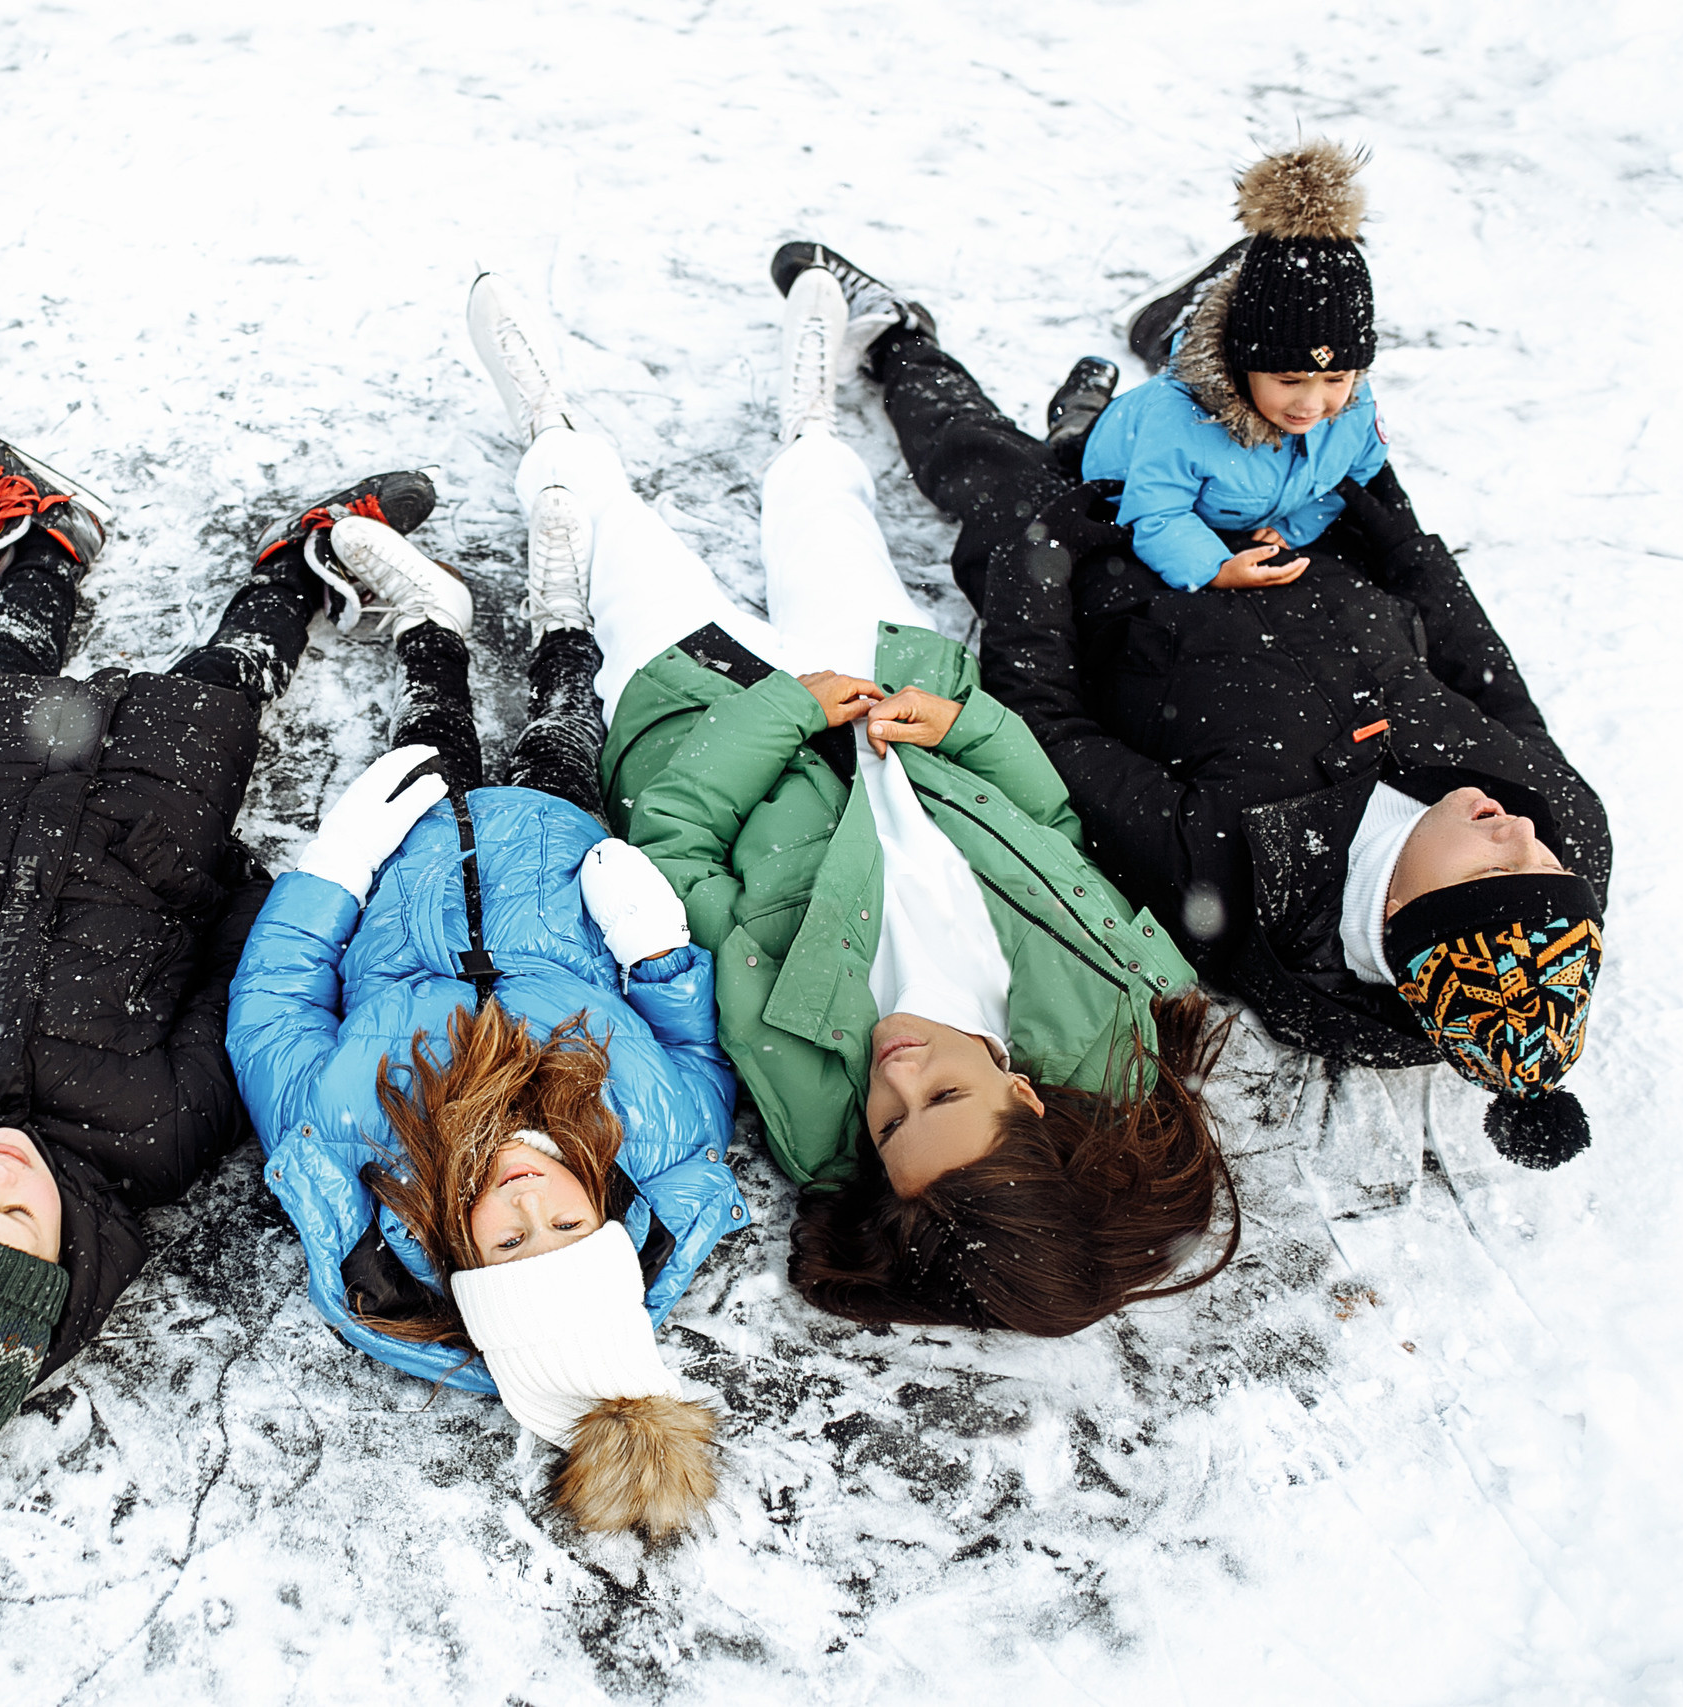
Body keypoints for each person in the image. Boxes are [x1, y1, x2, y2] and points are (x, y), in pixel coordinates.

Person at [463, 262, 1236, 1342]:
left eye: (890, 1125)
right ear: (1022, 1095)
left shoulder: (808, 1087)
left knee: (613, 534)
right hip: (886, 689)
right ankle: (809, 417)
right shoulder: (1106, 1015)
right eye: (944, 1099)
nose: (898, 1078)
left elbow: (675, 848)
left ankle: (550, 424)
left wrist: (780, 713)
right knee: (824, 509)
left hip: (706, 711)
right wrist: (966, 728)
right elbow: (1051, 828)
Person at [0, 431, 491, 1529]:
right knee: (211, 695)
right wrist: (220, 882)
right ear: (63, 1259)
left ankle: (44, 550)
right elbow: (233, 994)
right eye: (15, 1217)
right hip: (140, 843)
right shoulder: (157, 1137)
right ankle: (291, 573)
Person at [849, 237, 1609, 1168]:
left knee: (999, 474)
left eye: (1495, 869)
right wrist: (1387, 520)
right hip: (1293, 534)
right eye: (1544, 862)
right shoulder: (1566, 826)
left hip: (1115, 581)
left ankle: (902, 345)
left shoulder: (1232, 866)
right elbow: (1477, 658)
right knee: (1299, 397)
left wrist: (1050, 547)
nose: (1523, 831)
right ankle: (1191, 345)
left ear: (1400, 908)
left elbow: (1047, 724)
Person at [224, 467, 744, 1540]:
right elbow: (694, 1051)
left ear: (460, 1259)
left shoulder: (346, 1150)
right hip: (557, 871)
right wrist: (657, 954)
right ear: (607, 1219)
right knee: (564, 732)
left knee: (430, 736)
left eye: (510, 1244)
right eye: (568, 1225)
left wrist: (333, 873)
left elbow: (272, 1011)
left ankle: (433, 628)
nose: (528, 1200)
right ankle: (560, 623)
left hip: (406, 877)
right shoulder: (657, 1142)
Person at [1074, 140, 1389, 593]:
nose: (1312, 403)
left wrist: (1295, 526)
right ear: (1244, 366)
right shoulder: (1180, 420)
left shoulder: (1354, 413)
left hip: (1235, 508)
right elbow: (1157, 513)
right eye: (1289, 380)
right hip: (1120, 468)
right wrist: (1214, 568)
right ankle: (1080, 410)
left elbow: (1356, 475)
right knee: (1067, 448)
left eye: (1336, 378)